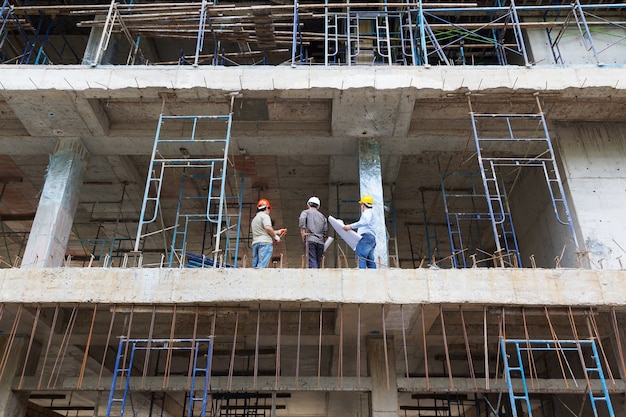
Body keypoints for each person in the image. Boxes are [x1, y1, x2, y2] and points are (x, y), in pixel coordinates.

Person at [343, 195, 377, 269]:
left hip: (365, 238)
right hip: (371, 239)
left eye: (361, 204)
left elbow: (365, 222)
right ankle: (374, 276)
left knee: (361, 257)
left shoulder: (367, 212)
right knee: (370, 260)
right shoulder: (372, 213)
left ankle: (361, 275)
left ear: (363, 205)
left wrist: (350, 226)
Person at [251, 198, 286, 268]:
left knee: (255, 266)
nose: (269, 211)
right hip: (265, 244)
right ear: (266, 208)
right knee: (262, 266)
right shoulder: (265, 216)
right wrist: (275, 237)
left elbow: (264, 231)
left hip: (256, 243)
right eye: (269, 208)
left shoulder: (255, 219)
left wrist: (278, 232)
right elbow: (268, 228)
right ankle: (259, 278)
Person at [298, 196, 328, 268]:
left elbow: (302, 221)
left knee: (311, 261)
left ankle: (314, 277)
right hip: (320, 242)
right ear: (318, 207)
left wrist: (303, 235)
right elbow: (325, 232)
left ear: (308, 204)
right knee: (317, 262)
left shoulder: (305, 212)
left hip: (310, 240)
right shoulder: (322, 217)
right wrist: (324, 245)